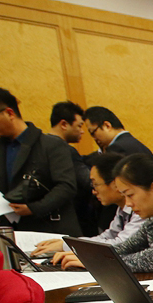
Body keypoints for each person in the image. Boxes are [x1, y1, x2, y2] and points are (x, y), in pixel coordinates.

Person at [0, 86, 81, 236]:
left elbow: (67, 186)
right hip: (13, 232)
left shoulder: (51, 145)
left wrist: (34, 208)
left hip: (51, 231)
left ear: (9, 113)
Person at [31, 152, 145, 266]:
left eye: (95, 184)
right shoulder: (122, 208)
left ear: (115, 183)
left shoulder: (141, 209)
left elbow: (121, 244)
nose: (94, 191)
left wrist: (68, 246)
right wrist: (68, 243)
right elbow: (108, 236)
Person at [49, 100, 97, 236]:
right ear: (64, 124)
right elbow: (88, 181)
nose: (82, 131)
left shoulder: (38, 148)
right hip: (70, 219)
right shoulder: (65, 151)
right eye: (79, 126)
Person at [82, 106, 153, 158]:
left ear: (107, 126)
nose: (94, 138)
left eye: (92, 132)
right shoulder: (135, 144)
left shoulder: (117, 148)